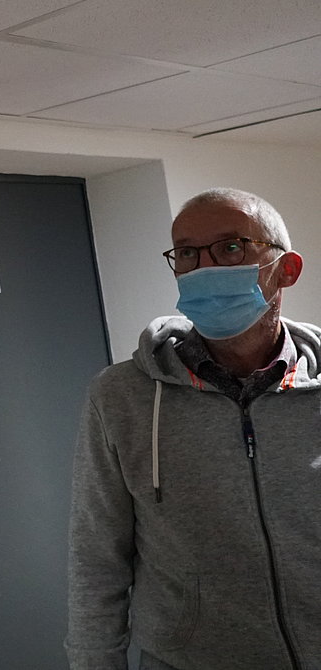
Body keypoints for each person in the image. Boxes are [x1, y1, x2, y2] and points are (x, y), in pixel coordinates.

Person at [66, 188, 321, 670]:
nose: (204, 267)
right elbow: (97, 555)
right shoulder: (122, 396)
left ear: (286, 269)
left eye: (230, 247)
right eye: (186, 253)